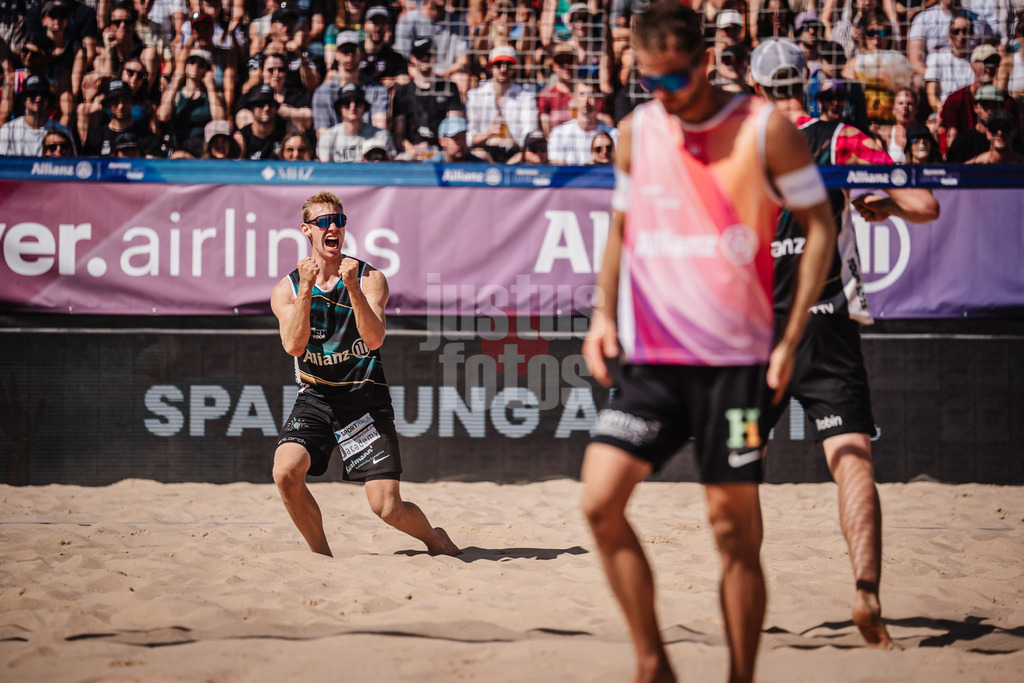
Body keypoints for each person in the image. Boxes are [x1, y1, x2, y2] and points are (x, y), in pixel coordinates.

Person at [580, 5, 838, 683]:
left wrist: (790, 336)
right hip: (654, 361)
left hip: (736, 366)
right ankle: (653, 661)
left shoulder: (764, 128)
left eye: (676, 79)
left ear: (705, 62)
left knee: (732, 532)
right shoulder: (637, 132)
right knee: (599, 501)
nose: (665, 94)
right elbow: (622, 226)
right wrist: (603, 313)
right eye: (651, 81)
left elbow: (820, 225)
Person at [749, 36, 940, 650]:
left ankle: (746, 599)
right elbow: (925, 205)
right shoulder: (840, 138)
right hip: (824, 324)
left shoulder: (737, 144)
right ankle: (866, 592)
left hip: (753, 333)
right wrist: (886, 207)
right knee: (851, 458)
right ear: (805, 83)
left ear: (755, 87)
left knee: (739, 469)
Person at [270, 191, 461, 559]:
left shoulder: (369, 277)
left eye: (339, 221)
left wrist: (353, 287)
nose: (333, 228)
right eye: (324, 222)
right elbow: (294, 346)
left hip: (364, 401)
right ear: (307, 230)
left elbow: (374, 339)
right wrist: (307, 288)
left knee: (387, 508)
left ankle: (437, 541)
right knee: (286, 473)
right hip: (316, 398)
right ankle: (322, 558)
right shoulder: (288, 288)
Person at [391, 37, 465, 160]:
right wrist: (411, 149)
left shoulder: (449, 87)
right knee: (400, 160)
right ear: (412, 58)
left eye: (429, 54)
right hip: (412, 152)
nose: (425, 59)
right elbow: (398, 134)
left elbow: (454, 126)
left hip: (442, 151)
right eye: (420, 55)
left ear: (435, 57)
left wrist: (442, 150)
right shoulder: (402, 92)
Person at [465, 45, 539, 160]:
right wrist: (489, 133)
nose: (503, 69)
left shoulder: (525, 96)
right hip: (483, 154)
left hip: (516, 153)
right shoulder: (475, 95)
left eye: (508, 64)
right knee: (478, 153)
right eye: (498, 64)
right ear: (490, 67)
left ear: (515, 68)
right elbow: (468, 138)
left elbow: (529, 134)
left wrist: (513, 143)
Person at [316, 82, 395, 162]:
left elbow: (388, 165)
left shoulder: (381, 135)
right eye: (347, 103)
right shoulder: (328, 136)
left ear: (364, 107)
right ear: (340, 108)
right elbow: (325, 167)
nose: (352, 106)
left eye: (357, 102)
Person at [547, 80, 618, 164]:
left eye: (591, 94)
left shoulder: (614, 135)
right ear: (573, 98)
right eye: (581, 94)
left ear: (599, 99)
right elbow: (555, 167)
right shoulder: (559, 134)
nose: (586, 100)